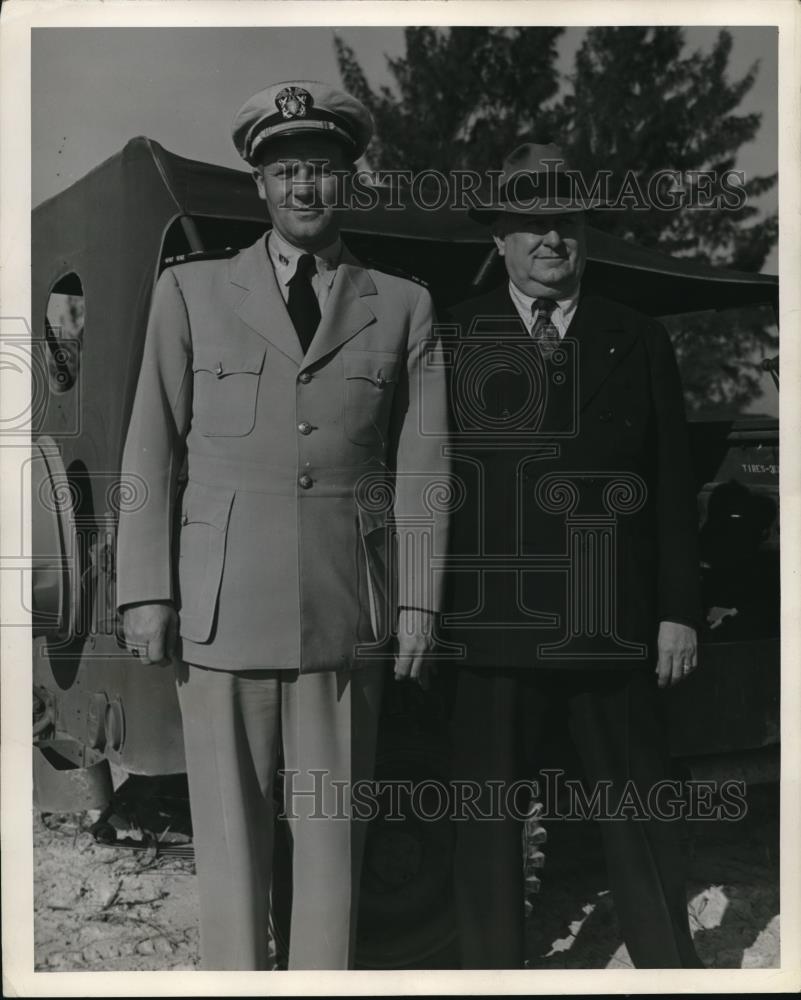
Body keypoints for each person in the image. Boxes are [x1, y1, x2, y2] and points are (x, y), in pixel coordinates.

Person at [116, 81, 450, 970]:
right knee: (228, 843)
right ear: (259, 184)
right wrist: (145, 590)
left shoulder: (401, 304)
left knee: (333, 842)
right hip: (220, 615)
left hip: (346, 614)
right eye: (287, 170)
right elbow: (150, 445)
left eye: (326, 170)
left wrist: (416, 603)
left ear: (352, 183)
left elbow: (421, 469)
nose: (306, 188)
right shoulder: (191, 293)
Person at [444, 142, 703, 968]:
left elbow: (669, 487)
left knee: (641, 814)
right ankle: (490, 975)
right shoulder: (452, 334)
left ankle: (669, 968)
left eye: (565, 223)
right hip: (490, 627)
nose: (550, 240)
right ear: (500, 241)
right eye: (530, 225)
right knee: (485, 821)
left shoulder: (636, 335)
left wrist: (675, 611)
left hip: (613, 625)